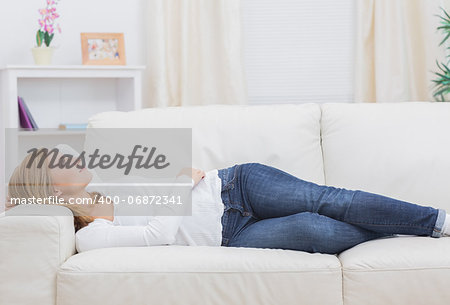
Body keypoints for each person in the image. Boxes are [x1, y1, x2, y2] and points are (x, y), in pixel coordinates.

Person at [7, 148, 450, 255]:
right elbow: (156, 236)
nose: (71, 156)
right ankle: (404, 227)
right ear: (51, 188)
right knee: (320, 228)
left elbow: (171, 173)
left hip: (234, 186)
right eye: (57, 161)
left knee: (329, 200)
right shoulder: (91, 237)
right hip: (232, 234)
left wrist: (177, 179)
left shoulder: (106, 179)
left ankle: (436, 222)